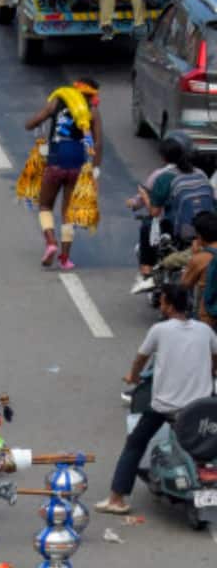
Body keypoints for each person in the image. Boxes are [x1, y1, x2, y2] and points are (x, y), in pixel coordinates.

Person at [94, 283, 217, 515]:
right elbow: (215, 356)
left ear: (169, 306)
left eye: (162, 302)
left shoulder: (160, 330)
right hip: (201, 407)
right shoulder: (205, 330)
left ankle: (116, 499)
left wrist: (133, 376)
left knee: (135, 444)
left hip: (166, 408)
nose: (161, 305)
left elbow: (141, 359)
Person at [23, 79, 102, 268]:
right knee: (67, 211)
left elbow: (31, 123)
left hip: (56, 162)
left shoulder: (58, 102)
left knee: (44, 206)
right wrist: (96, 169)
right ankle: (65, 258)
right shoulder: (92, 111)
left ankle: (51, 243)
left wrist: (33, 124)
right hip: (77, 165)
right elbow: (98, 143)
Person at [128, 135, 194, 294]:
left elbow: (152, 209)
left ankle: (146, 272)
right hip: (200, 225)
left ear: (164, 157)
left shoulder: (161, 175)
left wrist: (139, 199)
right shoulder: (198, 173)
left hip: (174, 226)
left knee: (147, 226)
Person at [181, 211, 217, 329]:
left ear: (199, 237)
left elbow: (184, 284)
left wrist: (195, 255)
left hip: (208, 318)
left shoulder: (200, 258)